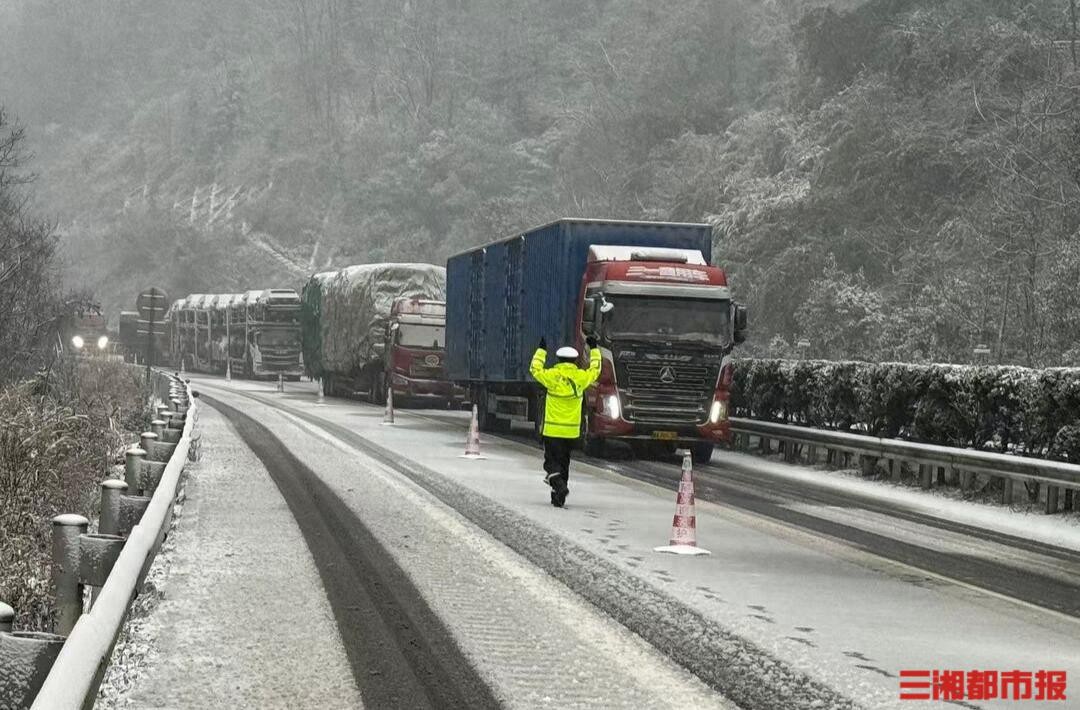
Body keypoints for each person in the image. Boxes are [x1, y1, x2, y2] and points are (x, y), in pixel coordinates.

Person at [529, 334, 601, 507]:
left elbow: (535, 369)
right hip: (571, 432)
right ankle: (558, 498)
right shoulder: (581, 378)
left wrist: (541, 350)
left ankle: (559, 487)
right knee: (564, 463)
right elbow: (596, 370)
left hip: (552, 430)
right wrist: (594, 349)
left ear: (559, 359)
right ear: (575, 360)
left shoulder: (552, 376)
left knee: (551, 464)